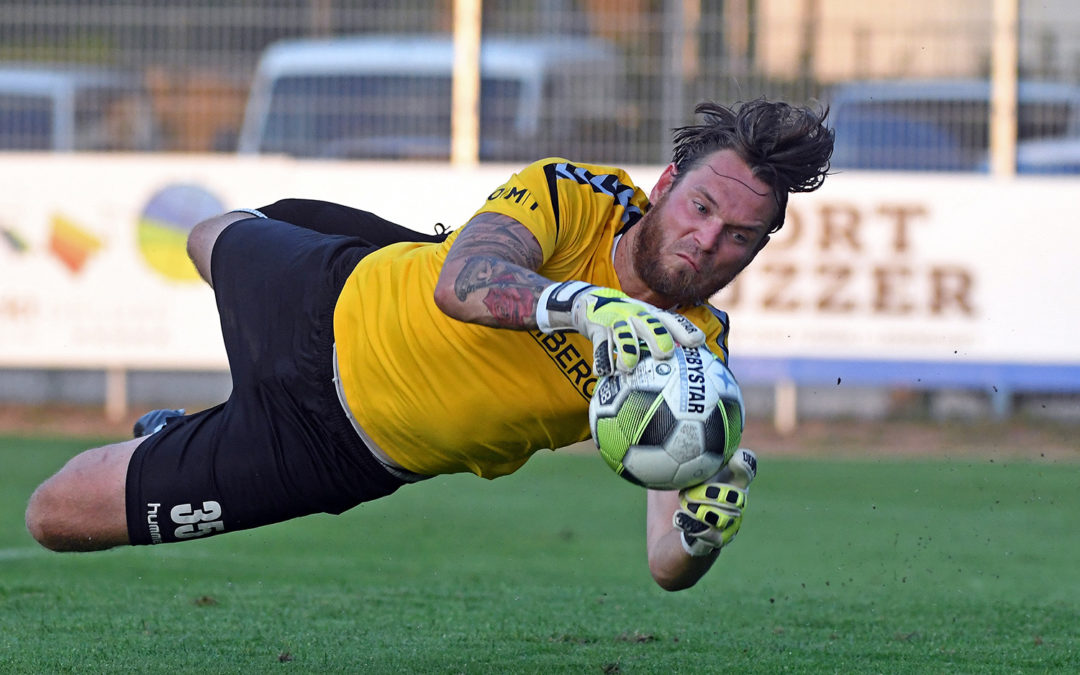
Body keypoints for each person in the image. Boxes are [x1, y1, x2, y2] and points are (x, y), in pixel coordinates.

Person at [25, 99, 833, 591]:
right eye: (698, 209)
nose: (706, 241)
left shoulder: (693, 360)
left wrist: (698, 534)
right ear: (664, 185)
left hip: (333, 448)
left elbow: (665, 562)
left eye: (738, 236)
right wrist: (585, 308)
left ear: (758, 250)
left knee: (54, 515)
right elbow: (464, 280)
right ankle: (210, 408)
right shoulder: (580, 195)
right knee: (211, 231)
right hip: (330, 290)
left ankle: (185, 435)